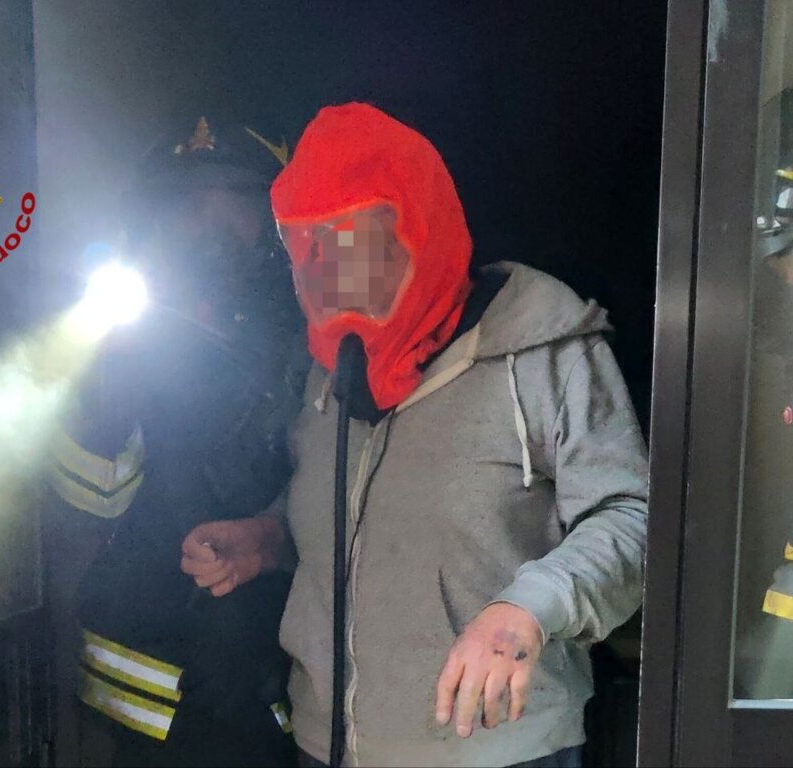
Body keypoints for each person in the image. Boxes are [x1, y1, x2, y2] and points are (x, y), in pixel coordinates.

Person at [181, 102, 649, 767]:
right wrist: (268, 536)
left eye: (351, 237)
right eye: (302, 242)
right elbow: (347, 508)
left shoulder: (541, 349)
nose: (323, 269)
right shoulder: (329, 369)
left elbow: (630, 519)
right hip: (328, 745)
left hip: (498, 753)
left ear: (417, 224)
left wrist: (527, 611)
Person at [43, 116, 309, 767]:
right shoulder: (125, 338)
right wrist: (108, 370)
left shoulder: (309, 325)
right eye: (191, 208)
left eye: (234, 205)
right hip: (152, 688)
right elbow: (88, 496)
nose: (211, 229)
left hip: (264, 680)